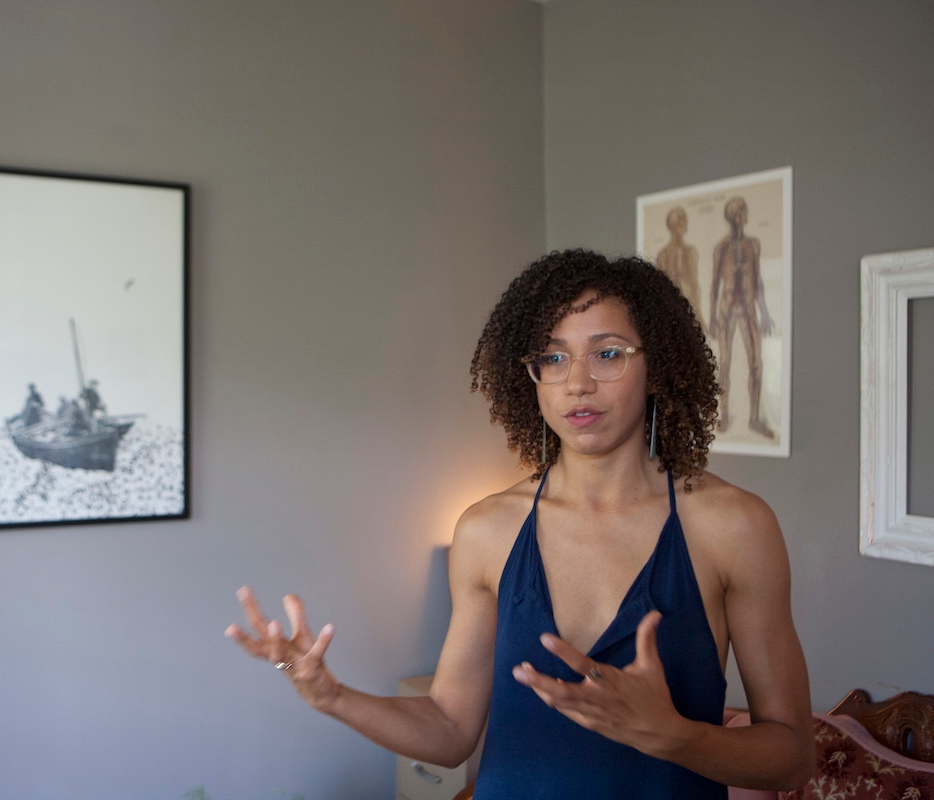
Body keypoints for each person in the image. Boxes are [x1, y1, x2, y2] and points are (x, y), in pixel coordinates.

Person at [227, 250, 812, 798]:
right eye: (552, 358)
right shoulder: (487, 530)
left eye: (607, 353)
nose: (577, 382)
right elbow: (450, 728)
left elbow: (791, 758)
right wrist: (331, 696)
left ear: (656, 365)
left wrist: (677, 738)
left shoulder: (734, 527)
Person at [710, 197, 775, 437]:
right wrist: (712, 316)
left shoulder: (753, 245)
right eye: (744, 212)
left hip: (747, 308)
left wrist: (764, 312)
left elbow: (757, 280)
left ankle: (754, 418)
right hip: (727, 309)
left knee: (756, 363)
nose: (746, 215)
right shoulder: (721, 248)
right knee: (725, 364)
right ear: (737, 217)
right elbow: (715, 283)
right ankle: (725, 414)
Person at [655, 206, 703, 323]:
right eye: (681, 224)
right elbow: (660, 287)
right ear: (673, 226)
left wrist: (699, 315)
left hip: (687, 303)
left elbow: (693, 283)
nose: (685, 228)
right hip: (668, 308)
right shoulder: (663, 255)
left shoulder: (690, 252)